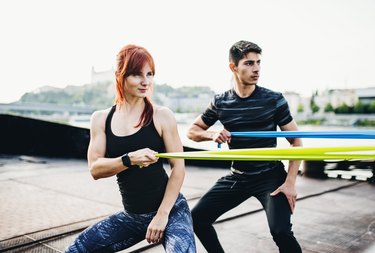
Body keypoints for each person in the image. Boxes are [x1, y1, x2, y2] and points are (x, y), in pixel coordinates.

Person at [66, 44, 196, 253]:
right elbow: (95, 169)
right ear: (120, 75)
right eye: (137, 74)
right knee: (76, 250)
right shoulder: (101, 119)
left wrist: (161, 215)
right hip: (132, 215)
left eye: (150, 74)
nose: (146, 81)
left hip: (171, 211)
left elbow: (178, 169)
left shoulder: (162, 116)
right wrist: (128, 159)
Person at [187, 40, 303, 253]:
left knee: (281, 232)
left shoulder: (274, 100)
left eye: (258, 62)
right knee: (197, 219)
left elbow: (296, 141)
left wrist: (290, 182)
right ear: (233, 67)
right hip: (239, 176)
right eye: (249, 63)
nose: (257, 68)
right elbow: (192, 131)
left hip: (270, 175)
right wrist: (211, 134)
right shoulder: (220, 102)